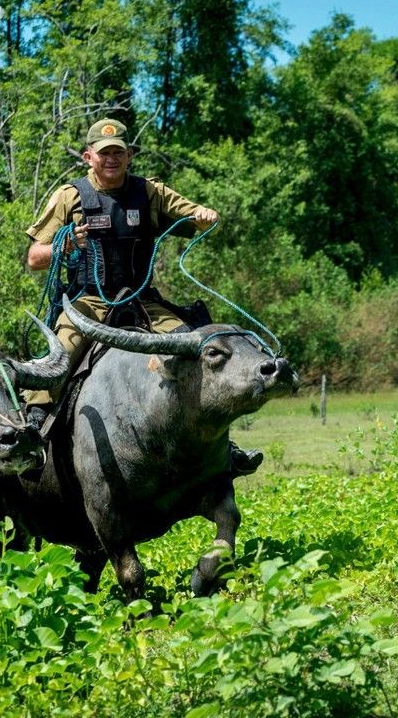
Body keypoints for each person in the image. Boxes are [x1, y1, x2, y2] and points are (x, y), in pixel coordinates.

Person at [23, 118, 261, 475]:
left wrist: (204, 215)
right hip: (89, 301)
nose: (111, 159)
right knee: (61, 355)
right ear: (89, 157)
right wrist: (66, 242)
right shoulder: (69, 196)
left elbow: (196, 216)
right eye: (104, 153)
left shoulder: (150, 191)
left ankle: (222, 448)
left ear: (130, 155)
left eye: (118, 152)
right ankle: (32, 431)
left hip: (142, 300)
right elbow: (33, 258)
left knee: (196, 347)